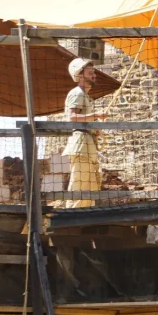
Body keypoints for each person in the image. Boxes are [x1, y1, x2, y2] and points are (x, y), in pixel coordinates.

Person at [62, 58, 108, 208]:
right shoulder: (77, 94)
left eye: (94, 72)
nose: (94, 76)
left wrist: (94, 129)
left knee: (89, 182)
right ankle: (73, 214)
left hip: (87, 144)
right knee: (80, 182)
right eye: (90, 73)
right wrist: (96, 115)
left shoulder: (85, 96)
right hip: (81, 144)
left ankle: (84, 212)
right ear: (80, 75)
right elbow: (72, 117)